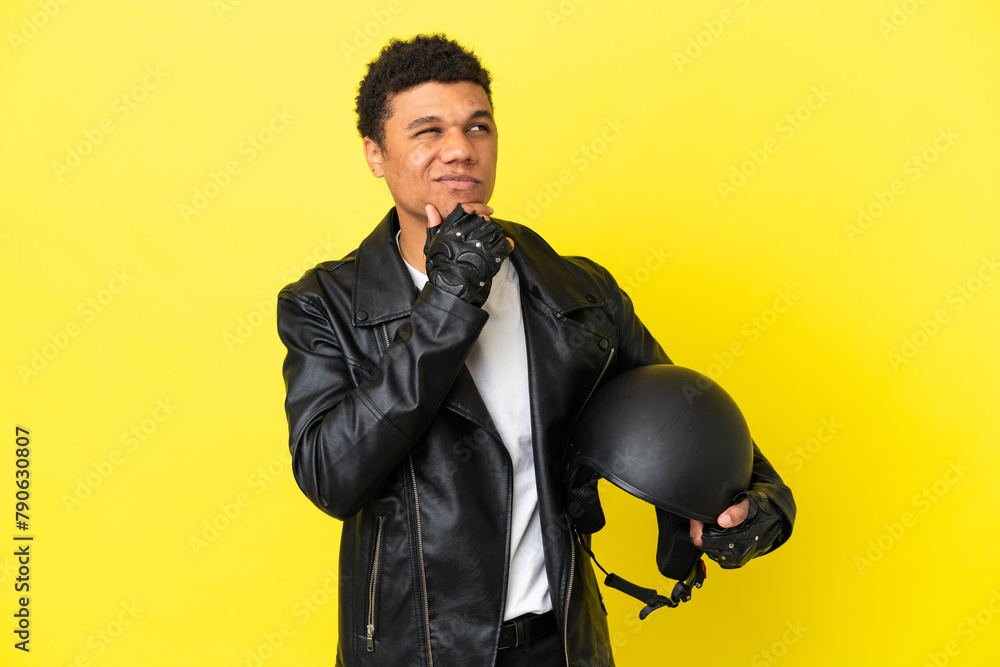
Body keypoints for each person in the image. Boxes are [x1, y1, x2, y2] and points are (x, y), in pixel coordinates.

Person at [277, 33, 795, 667]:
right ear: (375, 155)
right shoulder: (323, 303)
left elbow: (678, 410)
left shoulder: (575, 290)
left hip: (564, 646)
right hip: (418, 653)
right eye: (428, 131)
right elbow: (333, 476)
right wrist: (450, 301)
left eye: (478, 126)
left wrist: (756, 501)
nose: (460, 150)